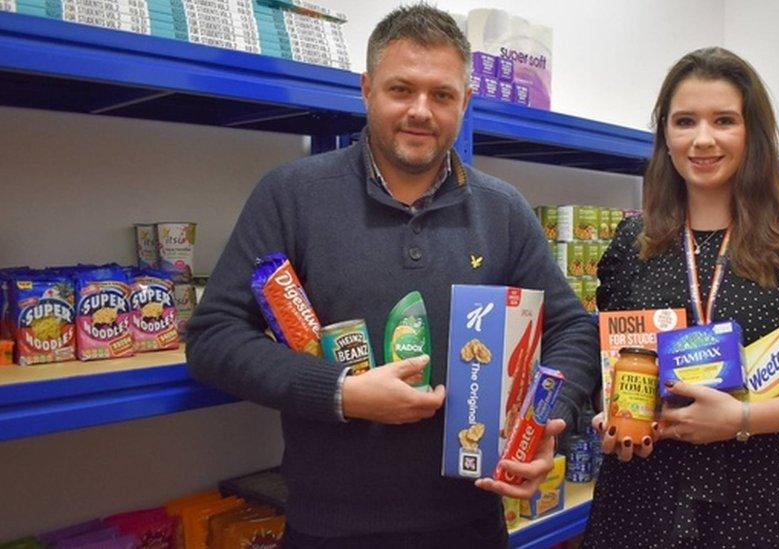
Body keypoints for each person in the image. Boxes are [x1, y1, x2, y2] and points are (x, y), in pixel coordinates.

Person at [186, 5, 599, 548]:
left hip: (473, 525)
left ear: (466, 102)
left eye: (442, 95)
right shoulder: (291, 195)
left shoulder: (503, 210)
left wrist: (548, 421)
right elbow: (214, 337)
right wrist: (342, 393)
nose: (421, 111)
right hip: (327, 528)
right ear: (366, 90)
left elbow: (573, 329)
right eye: (401, 89)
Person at [582, 47, 779, 548]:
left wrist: (740, 419)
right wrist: (613, 417)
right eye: (685, 121)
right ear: (665, 135)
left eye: (724, 120)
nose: (703, 139)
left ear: (752, 133)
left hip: (750, 497)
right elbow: (616, 366)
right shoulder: (633, 242)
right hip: (639, 497)